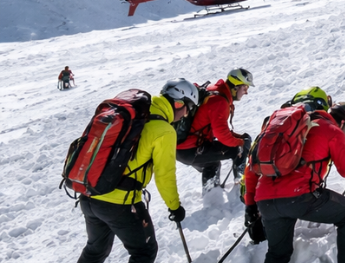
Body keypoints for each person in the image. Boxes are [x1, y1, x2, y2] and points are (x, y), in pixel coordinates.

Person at [77, 79, 197, 263]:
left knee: (96, 250)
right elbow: (164, 176)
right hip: (120, 203)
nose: (186, 115)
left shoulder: (136, 116)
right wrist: (175, 206)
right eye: (188, 108)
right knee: (144, 252)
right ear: (179, 103)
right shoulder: (164, 130)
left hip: (90, 195)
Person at [244, 102, 345, 263]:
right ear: (343, 122)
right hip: (298, 197)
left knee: (278, 254)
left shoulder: (299, 125)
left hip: (266, 200)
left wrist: (250, 205)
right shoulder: (332, 130)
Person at [176, 68, 255, 191]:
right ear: (235, 87)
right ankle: (241, 186)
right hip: (191, 149)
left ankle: (212, 195)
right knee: (238, 148)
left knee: (212, 162)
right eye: (245, 88)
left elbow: (217, 128)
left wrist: (238, 137)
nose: (246, 92)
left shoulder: (215, 90)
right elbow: (222, 134)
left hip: (182, 148)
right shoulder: (219, 101)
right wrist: (241, 142)